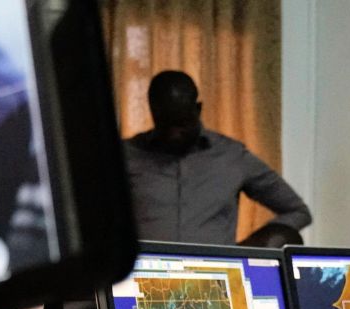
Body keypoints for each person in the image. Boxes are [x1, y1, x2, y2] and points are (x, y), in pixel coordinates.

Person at [124, 70, 311, 245]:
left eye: (182, 123)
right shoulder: (127, 155)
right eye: (165, 124)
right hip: (145, 273)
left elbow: (297, 211)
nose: (174, 134)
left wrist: (247, 249)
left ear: (197, 109)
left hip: (215, 274)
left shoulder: (231, 156)